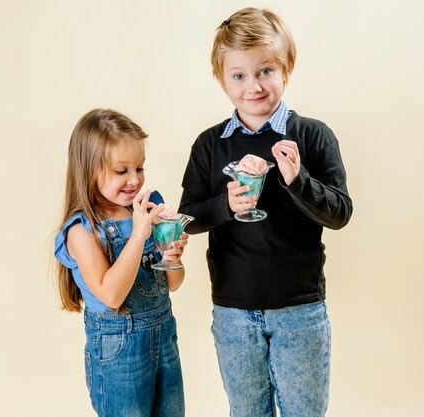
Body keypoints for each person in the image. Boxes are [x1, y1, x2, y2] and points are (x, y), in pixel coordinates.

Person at [178, 7, 353, 417]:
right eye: (238, 75)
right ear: (221, 78)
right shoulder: (209, 145)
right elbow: (188, 214)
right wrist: (226, 204)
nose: (252, 86)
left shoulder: (311, 135)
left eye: (265, 71)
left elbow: (340, 212)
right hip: (233, 312)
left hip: (300, 310)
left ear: (287, 68)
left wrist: (297, 181)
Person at [54, 108, 188, 416]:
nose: (134, 180)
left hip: (163, 335)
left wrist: (173, 257)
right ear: (90, 171)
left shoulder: (145, 208)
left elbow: (173, 284)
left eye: (139, 168)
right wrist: (140, 233)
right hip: (119, 347)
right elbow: (111, 295)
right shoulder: (82, 230)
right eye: (121, 171)